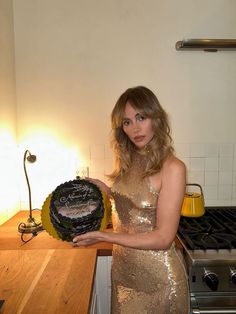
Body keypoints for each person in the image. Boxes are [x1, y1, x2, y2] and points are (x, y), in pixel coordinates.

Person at [73, 86, 189, 313]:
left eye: (141, 117)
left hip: (159, 283)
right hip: (124, 274)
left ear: (156, 117)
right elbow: (134, 204)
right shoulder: (130, 158)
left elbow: (164, 238)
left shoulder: (173, 168)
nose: (135, 128)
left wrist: (106, 236)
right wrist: (107, 190)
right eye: (127, 122)